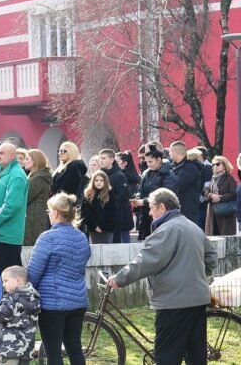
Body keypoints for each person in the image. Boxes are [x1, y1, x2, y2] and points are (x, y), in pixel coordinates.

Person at [110, 188, 217, 364]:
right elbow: (211, 258)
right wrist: (196, 276)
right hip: (197, 298)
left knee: (167, 355)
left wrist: (120, 279)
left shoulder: (167, 230)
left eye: (151, 208)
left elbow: (146, 260)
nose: (150, 213)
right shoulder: (192, 226)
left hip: (174, 301)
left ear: (162, 207)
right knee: (196, 354)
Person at [27, 193, 91, 365]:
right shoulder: (82, 237)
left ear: (55, 213)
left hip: (53, 304)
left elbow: (33, 272)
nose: (48, 213)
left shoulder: (47, 238)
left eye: (49, 210)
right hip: (78, 301)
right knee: (75, 349)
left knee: (53, 353)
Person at [0, 143, 29, 274]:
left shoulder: (17, 175)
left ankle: (18, 295)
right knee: (5, 274)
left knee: (12, 275)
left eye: (2, 153)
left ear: (12, 155)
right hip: (1, 232)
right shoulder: (6, 172)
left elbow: (12, 205)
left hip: (7, 234)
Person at [0, 265, 40, 365]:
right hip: (26, 349)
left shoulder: (11, 299)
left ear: (18, 281)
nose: (3, 284)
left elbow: (0, 316)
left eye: (6, 281)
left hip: (9, 350)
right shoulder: (34, 297)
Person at [134, 147, 175, 240]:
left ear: (159, 159)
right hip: (145, 214)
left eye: (150, 162)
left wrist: (144, 201)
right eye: (147, 162)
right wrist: (137, 198)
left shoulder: (168, 174)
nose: (148, 165)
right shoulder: (146, 173)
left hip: (160, 213)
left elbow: (165, 196)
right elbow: (140, 190)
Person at [22, 149, 52, 246]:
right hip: (35, 215)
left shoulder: (37, 178)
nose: (24, 161)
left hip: (34, 217)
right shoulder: (36, 176)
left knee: (32, 245)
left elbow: (25, 198)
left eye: (27, 159)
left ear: (35, 161)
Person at [203, 156, 238, 236]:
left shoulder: (230, 178)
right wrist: (211, 195)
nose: (215, 166)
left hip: (225, 213)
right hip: (212, 212)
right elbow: (206, 191)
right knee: (213, 235)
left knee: (225, 235)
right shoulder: (213, 178)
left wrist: (220, 198)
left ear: (224, 165)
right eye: (213, 164)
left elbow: (234, 194)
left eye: (218, 164)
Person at [81, 171, 116, 244]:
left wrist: (103, 227)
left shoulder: (110, 194)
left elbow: (113, 213)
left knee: (107, 250)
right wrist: (94, 226)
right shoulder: (88, 194)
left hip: (107, 229)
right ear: (93, 181)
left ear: (105, 182)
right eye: (96, 180)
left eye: (101, 180)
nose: (99, 182)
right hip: (93, 229)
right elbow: (85, 213)